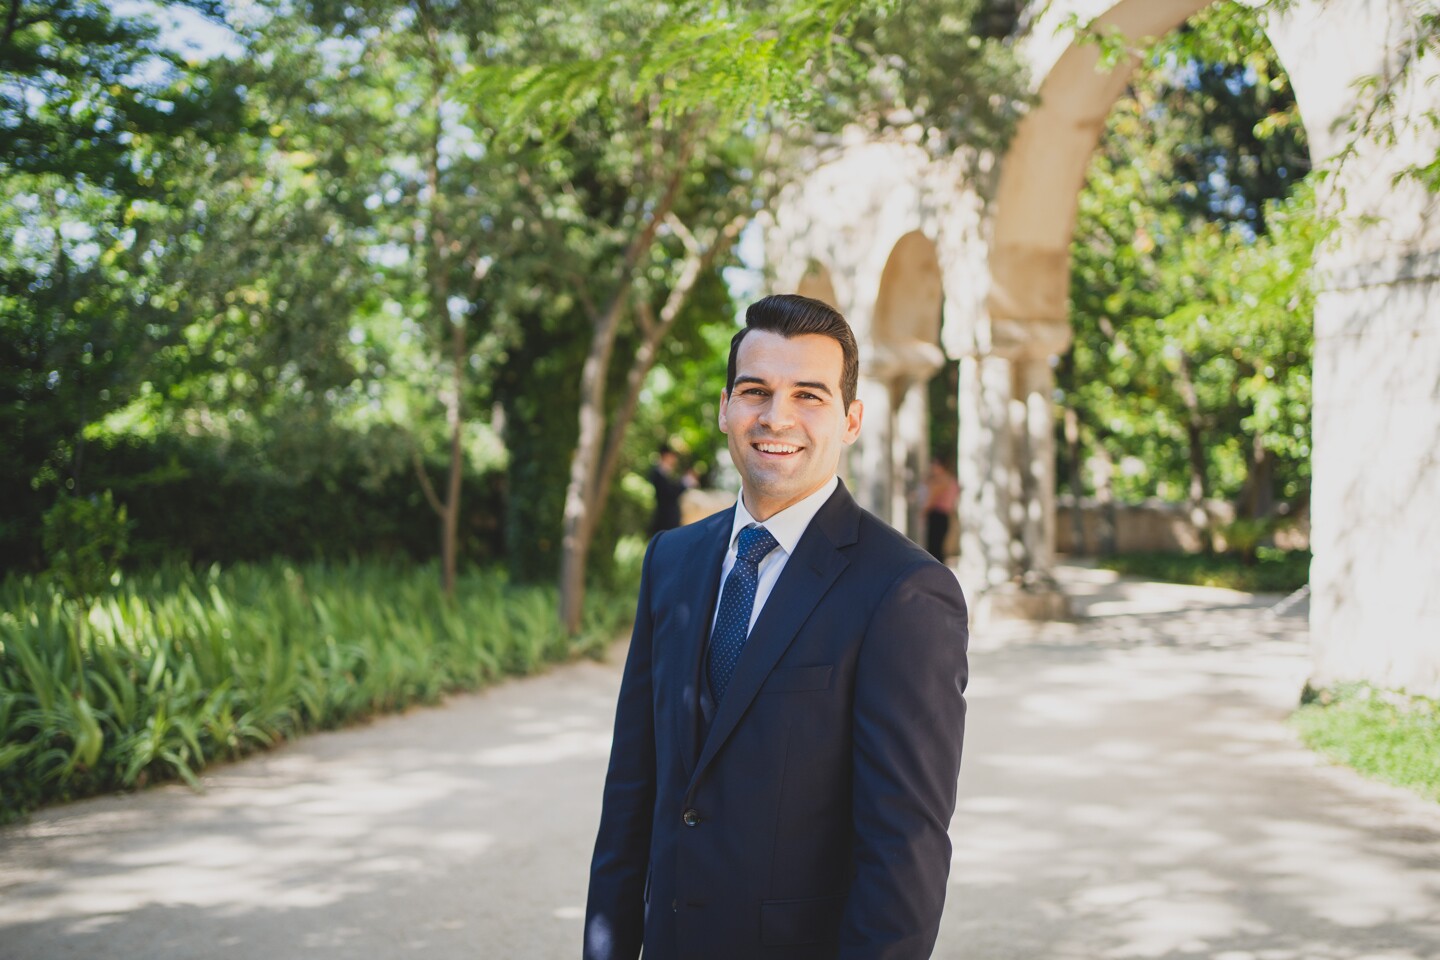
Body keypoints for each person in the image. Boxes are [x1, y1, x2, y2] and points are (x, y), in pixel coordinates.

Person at [584, 294, 969, 960]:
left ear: (851, 419)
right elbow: (631, 795)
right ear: (726, 407)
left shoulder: (904, 592)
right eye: (756, 391)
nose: (776, 417)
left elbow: (903, 851)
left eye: (809, 395)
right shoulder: (670, 561)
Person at [648, 442, 694, 535]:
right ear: (665, 456)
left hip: (670, 520)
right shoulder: (658, 473)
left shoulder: (667, 473)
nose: (674, 460)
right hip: (665, 520)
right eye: (672, 456)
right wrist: (685, 483)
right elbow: (669, 494)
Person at [923, 460, 960, 563]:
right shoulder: (952, 481)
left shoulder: (941, 481)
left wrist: (923, 512)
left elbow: (932, 499)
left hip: (937, 515)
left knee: (934, 546)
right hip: (945, 515)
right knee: (939, 545)